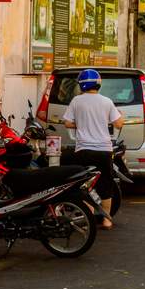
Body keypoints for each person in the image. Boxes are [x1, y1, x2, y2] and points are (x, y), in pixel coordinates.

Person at [61, 69, 124, 228]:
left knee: (85, 184)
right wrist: (118, 116)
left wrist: (80, 123)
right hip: (104, 150)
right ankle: (107, 220)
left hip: (83, 150)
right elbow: (118, 123)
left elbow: (67, 123)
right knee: (106, 184)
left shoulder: (76, 101)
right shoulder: (107, 102)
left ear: (82, 85)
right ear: (98, 83)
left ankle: (86, 219)